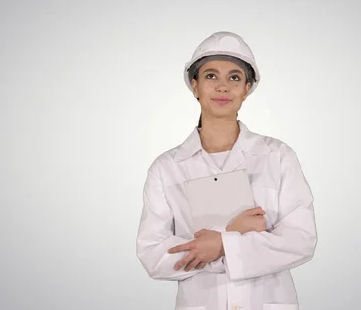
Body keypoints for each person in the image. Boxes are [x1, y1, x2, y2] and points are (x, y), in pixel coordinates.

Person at [136, 31, 318, 310]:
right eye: (210, 76)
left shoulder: (278, 157)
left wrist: (220, 244)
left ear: (246, 88)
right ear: (194, 86)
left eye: (234, 77)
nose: (223, 87)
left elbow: (300, 241)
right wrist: (231, 235)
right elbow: (153, 255)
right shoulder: (166, 169)